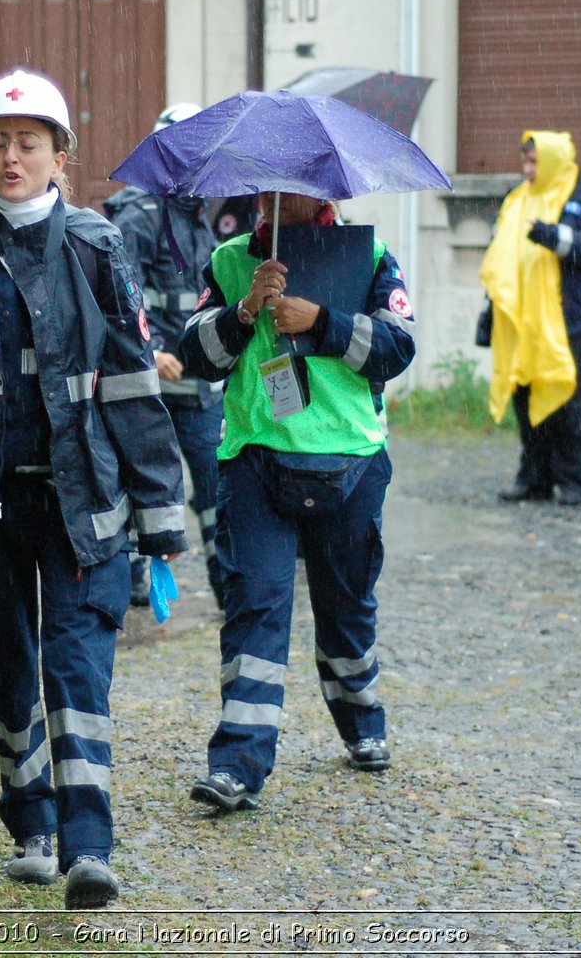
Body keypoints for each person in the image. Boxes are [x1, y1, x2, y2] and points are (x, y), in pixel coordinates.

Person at [0, 70, 188, 909]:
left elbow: (132, 386)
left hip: (81, 503)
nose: (13, 157)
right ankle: (33, 824)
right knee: (7, 669)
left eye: (30, 142)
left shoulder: (96, 249)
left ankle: (89, 845)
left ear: (61, 155)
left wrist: (161, 523)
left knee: (77, 666)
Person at [178, 191, 415, 811]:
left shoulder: (372, 257)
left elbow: (398, 349)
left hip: (351, 462)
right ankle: (237, 764)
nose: (280, 199)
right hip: (257, 460)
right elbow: (198, 357)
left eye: (297, 187)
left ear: (327, 192)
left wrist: (322, 323)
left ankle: (363, 722)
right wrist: (245, 309)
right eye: (269, 187)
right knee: (254, 607)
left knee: (346, 607)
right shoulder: (231, 259)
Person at [104, 102, 227, 611]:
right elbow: (118, 296)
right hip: (153, 386)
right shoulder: (139, 216)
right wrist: (149, 352)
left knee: (217, 494)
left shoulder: (201, 219)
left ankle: (230, 584)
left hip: (200, 390)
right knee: (144, 483)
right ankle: (133, 576)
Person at [480, 130, 581, 506]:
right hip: (522, 321)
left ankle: (573, 481)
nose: (528, 170)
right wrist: (489, 314)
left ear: (555, 161)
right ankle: (534, 479)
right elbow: (499, 261)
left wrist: (554, 237)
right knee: (525, 398)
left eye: (535, 162)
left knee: (574, 403)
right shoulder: (516, 202)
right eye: (524, 162)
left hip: (570, 320)